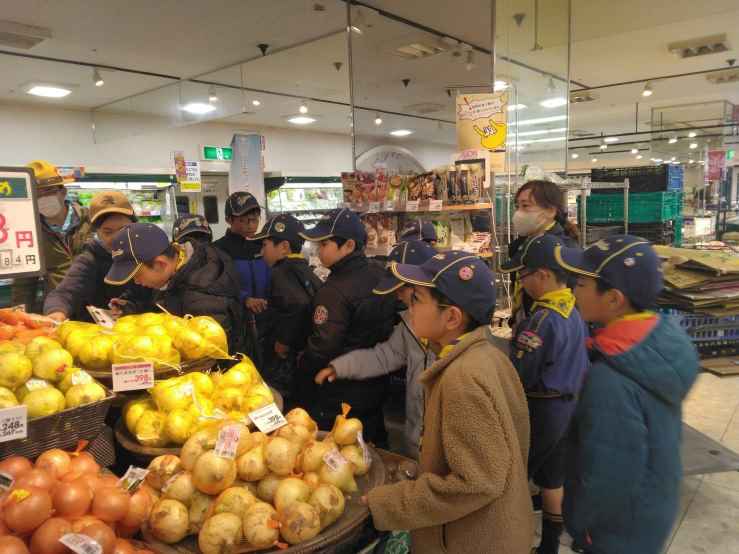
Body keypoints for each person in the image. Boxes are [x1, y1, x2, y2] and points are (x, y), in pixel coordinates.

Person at [365, 251, 534, 554]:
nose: (408, 307)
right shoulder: (489, 355)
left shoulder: (462, 378)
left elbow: (477, 482)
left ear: (452, 318)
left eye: (417, 299)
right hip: (494, 527)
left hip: (473, 541)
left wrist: (388, 504)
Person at [555, 235, 699, 554]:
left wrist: (581, 524)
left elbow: (607, 473)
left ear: (613, 299)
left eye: (581, 283)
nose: (573, 290)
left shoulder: (611, 379)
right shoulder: (657, 343)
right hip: (651, 507)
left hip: (616, 530)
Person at [500, 234, 589, 554]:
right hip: (569, 408)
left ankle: (510, 541)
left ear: (543, 275)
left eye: (523, 275)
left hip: (542, 413)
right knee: (553, 480)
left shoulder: (540, 321)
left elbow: (520, 374)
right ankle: (550, 545)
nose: (521, 283)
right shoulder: (574, 310)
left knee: (514, 479)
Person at [314, 239, 437, 458]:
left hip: (443, 446)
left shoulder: (455, 337)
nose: (397, 296)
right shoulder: (409, 325)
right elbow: (383, 356)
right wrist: (340, 367)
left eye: (401, 288)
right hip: (415, 438)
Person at [298, 208, 396, 444]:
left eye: (324, 244)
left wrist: (302, 365)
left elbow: (323, 346)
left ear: (349, 245)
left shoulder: (334, 291)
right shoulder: (379, 273)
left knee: (340, 447)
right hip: (377, 380)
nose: (318, 250)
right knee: (371, 440)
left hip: (340, 387)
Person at [104, 222, 244, 353]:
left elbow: (211, 352)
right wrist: (131, 308)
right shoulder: (175, 271)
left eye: (137, 275)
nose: (136, 282)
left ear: (160, 264)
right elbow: (164, 305)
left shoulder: (202, 297)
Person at [43, 191, 150, 323]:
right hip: (102, 331)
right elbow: (65, 292)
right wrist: (56, 312)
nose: (117, 238)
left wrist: (132, 306)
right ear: (97, 232)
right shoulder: (90, 259)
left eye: (124, 229)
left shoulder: (149, 253)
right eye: (108, 232)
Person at [249, 214, 321, 398]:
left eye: (265, 245)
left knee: (280, 395)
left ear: (284, 247)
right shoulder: (303, 268)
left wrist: (283, 341)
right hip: (304, 348)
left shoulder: (281, 271)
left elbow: (297, 304)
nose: (261, 251)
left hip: (287, 353)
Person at [12, 160, 92, 312]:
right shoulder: (30, 232)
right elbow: (24, 284)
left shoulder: (91, 219)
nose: (43, 198)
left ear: (63, 192)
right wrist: (19, 316)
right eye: (37, 194)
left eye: (49, 191)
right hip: (58, 308)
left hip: (97, 306)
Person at [508, 180, 579, 325]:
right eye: (517, 206)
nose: (518, 213)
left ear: (550, 211)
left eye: (525, 206)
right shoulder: (521, 245)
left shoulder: (563, 251)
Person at [213, 191, 270, 363]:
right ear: (229, 220)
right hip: (236, 323)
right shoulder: (217, 249)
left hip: (267, 319)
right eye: (244, 220)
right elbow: (216, 286)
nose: (251, 225)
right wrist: (244, 299)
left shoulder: (264, 245)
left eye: (255, 219)